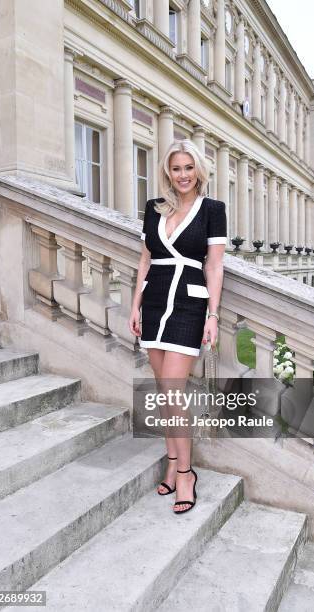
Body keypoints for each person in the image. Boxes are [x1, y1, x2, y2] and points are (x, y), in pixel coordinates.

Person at [128, 139, 227, 514]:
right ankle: (172, 460)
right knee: (162, 389)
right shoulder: (154, 209)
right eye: (176, 168)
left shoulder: (212, 210)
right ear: (167, 172)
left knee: (172, 393)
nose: (182, 175)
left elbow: (214, 265)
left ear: (198, 170)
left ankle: (186, 472)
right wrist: (135, 305)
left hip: (188, 304)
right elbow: (145, 261)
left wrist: (213, 315)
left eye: (188, 167)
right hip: (154, 303)